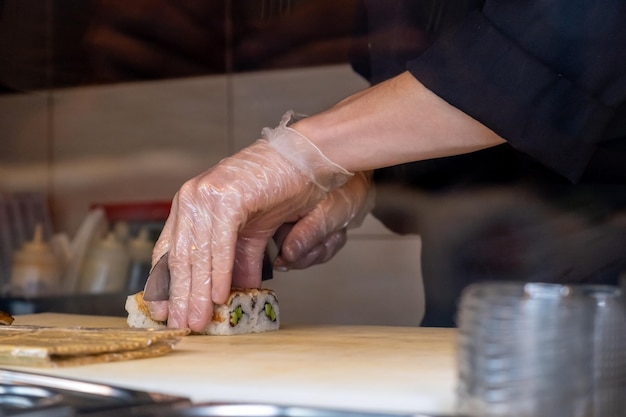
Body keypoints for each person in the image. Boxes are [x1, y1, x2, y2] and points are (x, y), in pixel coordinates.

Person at [146, 0, 626, 332]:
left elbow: (571, 40)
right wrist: (352, 181)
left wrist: (302, 153)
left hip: (605, 286)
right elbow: (423, 95)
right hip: (465, 314)